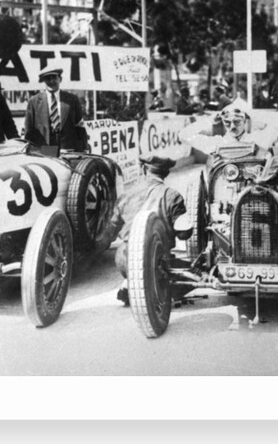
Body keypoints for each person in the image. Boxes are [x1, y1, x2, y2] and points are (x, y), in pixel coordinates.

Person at [98, 155, 187, 306]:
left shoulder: (127, 195)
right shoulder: (173, 196)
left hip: (126, 258)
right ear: (166, 173)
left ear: (143, 169)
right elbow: (185, 233)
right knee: (190, 273)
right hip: (159, 259)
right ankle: (162, 289)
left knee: (133, 258)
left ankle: (130, 282)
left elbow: (110, 232)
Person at [24, 64, 88, 152]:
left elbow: (80, 126)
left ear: (60, 79)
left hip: (67, 150)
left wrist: (84, 148)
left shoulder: (72, 100)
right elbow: (29, 130)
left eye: (54, 77)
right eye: (47, 78)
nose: (51, 81)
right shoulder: (33, 102)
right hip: (45, 150)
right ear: (43, 81)